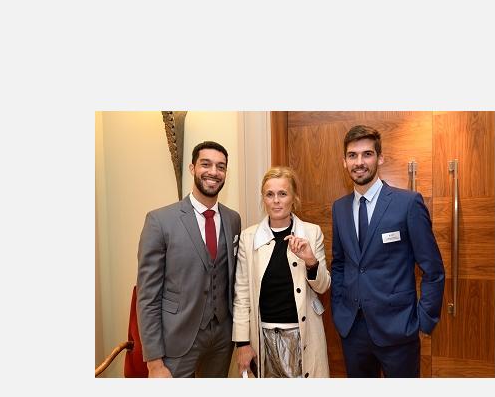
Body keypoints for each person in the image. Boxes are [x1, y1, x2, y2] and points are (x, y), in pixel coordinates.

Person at [330, 125, 445, 377]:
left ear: (380, 158)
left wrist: (424, 320)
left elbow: (433, 269)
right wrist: (339, 310)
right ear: (344, 161)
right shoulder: (339, 208)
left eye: (367, 154)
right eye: (352, 155)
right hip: (352, 330)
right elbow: (339, 263)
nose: (359, 162)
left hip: (399, 330)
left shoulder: (408, 203)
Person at [136, 141, 242, 378]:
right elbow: (148, 296)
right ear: (193, 168)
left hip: (222, 338)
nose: (213, 172)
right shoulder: (160, 221)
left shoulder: (233, 219)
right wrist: (154, 362)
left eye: (221, 167)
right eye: (206, 164)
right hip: (177, 338)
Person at [233, 167, 331, 378]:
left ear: (294, 198)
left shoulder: (312, 233)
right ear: (263, 199)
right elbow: (242, 295)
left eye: (283, 194)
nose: (276, 201)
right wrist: (242, 343)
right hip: (262, 337)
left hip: (303, 335)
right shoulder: (248, 238)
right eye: (270, 194)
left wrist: (310, 260)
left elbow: (323, 286)